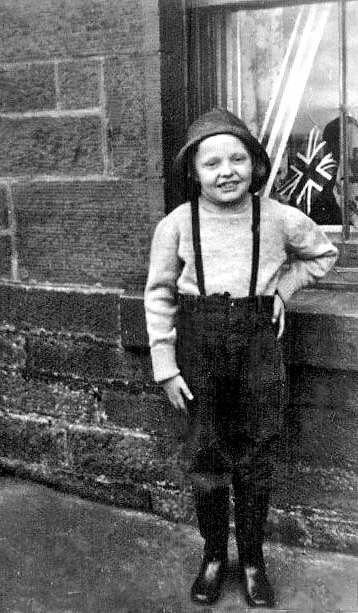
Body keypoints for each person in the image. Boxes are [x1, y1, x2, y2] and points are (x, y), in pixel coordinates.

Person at [144, 108, 338, 607]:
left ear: (254, 164)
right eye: (212, 163)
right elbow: (160, 295)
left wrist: (284, 288)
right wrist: (165, 365)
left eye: (237, 159)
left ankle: (252, 560)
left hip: (257, 346)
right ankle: (213, 556)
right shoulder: (176, 225)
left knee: (255, 456)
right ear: (194, 172)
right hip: (198, 345)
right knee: (205, 455)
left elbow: (322, 253)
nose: (226, 171)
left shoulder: (277, 217)